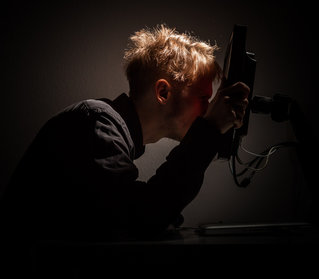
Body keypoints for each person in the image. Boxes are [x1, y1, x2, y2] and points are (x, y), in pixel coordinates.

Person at [0, 25, 249, 243]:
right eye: (204, 98)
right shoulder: (97, 121)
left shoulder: (104, 127)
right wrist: (210, 129)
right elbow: (141, 219)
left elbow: (142, 213)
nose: (208, 109)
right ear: (163, 93)